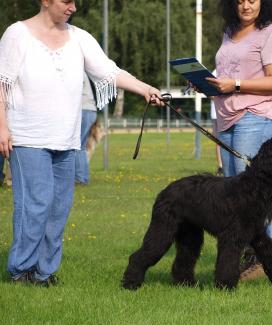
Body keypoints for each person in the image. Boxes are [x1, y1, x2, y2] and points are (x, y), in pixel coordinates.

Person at [0, 0, 162, 286]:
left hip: (66, 139)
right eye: (66, 1)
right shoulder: (17, 34)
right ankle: (21, 270)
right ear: (45, 0)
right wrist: (2, 127)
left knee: (59, 208)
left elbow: (109, 72)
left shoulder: (80, 38)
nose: (73, 7)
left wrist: (145, 89)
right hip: (27, 138)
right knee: (35, 204)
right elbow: (2, 84)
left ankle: (43, 273)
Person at [206, 0, 272, 281]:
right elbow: (226, 75)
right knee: (234, 195)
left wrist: (236, 85)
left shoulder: (270, 33)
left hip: (256, 116)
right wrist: (207, 83)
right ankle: (242, 258)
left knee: (253, 197)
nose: (245, 5)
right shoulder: (229, 31)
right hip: (226, 118)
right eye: (239, 0)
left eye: (252, 0)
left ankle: (260, 261)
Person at [75, 73, 98, 185]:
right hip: (89, 110)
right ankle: (81, 176)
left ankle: (81, 178)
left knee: (78, 146)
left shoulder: (76, 69)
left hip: (83, 109)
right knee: (80, 145)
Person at [210, 69, 223, 176]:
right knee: (219, 142)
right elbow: (210, 93)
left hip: (231, 113)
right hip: (217, 114)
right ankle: (221, 166)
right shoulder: (216, 72)